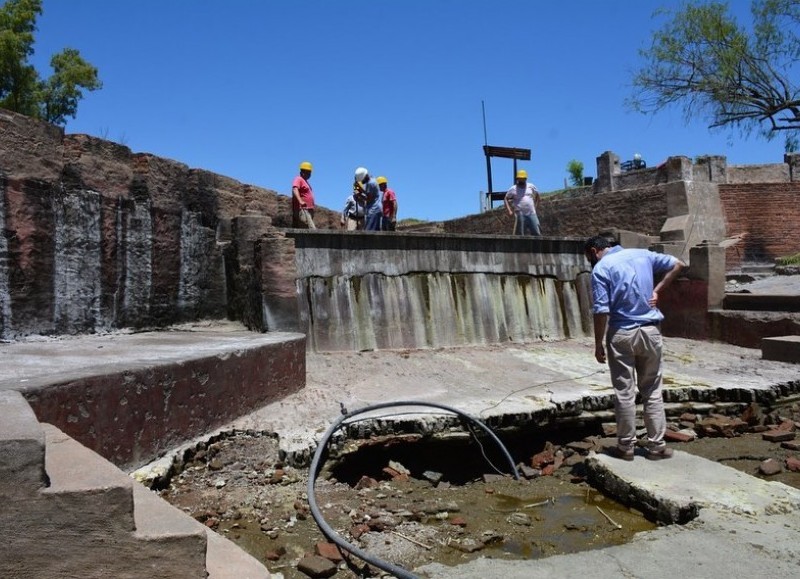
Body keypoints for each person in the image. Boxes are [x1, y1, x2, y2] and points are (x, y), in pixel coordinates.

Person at [584, 234, 686, 461]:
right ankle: (657, 447)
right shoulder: (644, 254)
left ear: (594, 251)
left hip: (622, 334)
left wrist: (598, 343)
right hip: (650, 331)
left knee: (625, 392)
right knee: (652, 390)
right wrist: (658, 289)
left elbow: (601, 311)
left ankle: (626, 448)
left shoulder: (601, 269)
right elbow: (680, 264)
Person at [504, 169, 541, 236]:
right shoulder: (513, 188)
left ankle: (537, 246)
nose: (521, 180)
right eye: (520, 178)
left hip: (531, 213)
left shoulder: (531, 186)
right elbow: (506, 198)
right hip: (520, 214)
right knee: (520, 234)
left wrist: (536, 207)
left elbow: (538, 196)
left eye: (523, 178)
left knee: (536, 233)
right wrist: (509, 210)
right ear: (517, 179)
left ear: (526, 178)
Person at [355, 167, 382, 231]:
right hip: (376, 209)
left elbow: (369, 199)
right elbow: (369, 193)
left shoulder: (370, 183)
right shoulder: (372, 180)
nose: (361, 181)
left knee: (369, 231)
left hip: (373, 210)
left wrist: (359, 195)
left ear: (365, 177)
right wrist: (360, 189)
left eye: (362, 180)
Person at [292, 161, 316, 229]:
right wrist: (300, 201)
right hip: (303, 209)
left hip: (308, 210)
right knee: (311, 229)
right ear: (303, 172)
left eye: (310, 172)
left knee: (307, 229)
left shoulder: (306, 182)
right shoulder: (298, 179)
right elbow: (295, 189)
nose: (309, 174)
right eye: (308, 172)